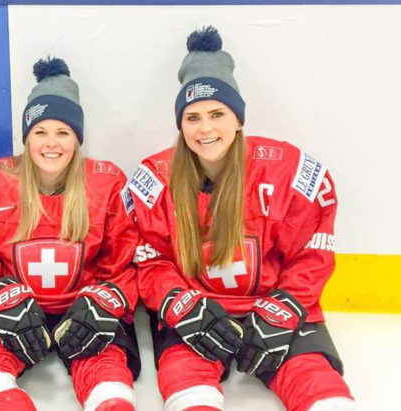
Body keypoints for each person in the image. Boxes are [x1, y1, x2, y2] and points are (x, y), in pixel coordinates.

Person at [130, 26, 356, 411]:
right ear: (181, 125)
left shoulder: (289, 171)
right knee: (185, 384)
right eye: (193, 117)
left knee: (318, 384)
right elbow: (150, 260)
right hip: (197, 308)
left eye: (217, 114)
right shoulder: (155, 178)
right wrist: (180, 302)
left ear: (238, 119)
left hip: (272, 302)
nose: (205, 128)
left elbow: (311, 253)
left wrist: (285, 307)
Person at [0, 57, 140, 411]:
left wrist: (106, 300)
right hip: (15, 310)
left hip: (83, 309)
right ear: (27, 136)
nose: (51, 143)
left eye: (63, 132)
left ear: (77, 138)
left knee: (110, 380)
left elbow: (124, 262)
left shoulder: (107, 181)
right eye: (40, 132)